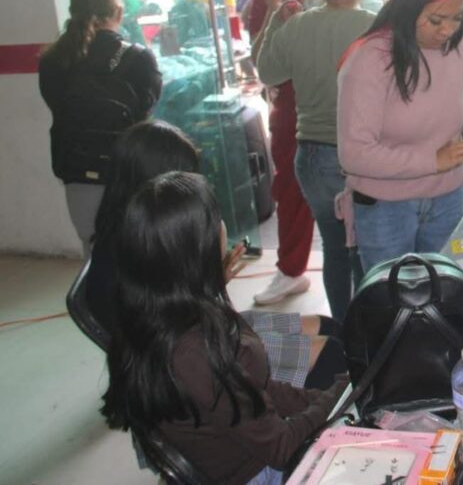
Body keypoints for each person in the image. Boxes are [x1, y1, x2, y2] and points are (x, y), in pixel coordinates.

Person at [101, 171, 345, 485]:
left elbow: (257, 391)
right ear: (196, 248)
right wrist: (341, 392)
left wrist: (322, 398)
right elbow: (282, 448)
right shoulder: (197, 351)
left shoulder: (153, 315)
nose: (222, 227)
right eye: (215, 220)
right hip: (255, 473)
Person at [88, 119, 348, 389]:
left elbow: (183, 307)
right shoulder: (132, 255)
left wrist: (214, 279)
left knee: (329, 327)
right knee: (331, 354)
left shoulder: (139, 232)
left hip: (204, 330)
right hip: (194, 358)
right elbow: (176, 335)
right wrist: (213, 282)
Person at [337, 0, 463, 270]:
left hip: (449, 197)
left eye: (457, 18)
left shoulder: (461, 47)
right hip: (386, 208)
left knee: (446, 290)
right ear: (409, 8)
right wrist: (432, 160)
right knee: (393, 297)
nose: (447, 30)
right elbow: (354, 153)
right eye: (436, 20)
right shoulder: (372, 58)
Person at [256, 0, 375, 321]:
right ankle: (369, 332)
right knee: (367, 249)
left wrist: (277, 18)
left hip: (312, 156)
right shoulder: (377, 27)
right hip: (364, 155)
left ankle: (342, 330)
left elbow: (268, 72)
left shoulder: (299, 25)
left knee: (335, 248)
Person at [38, 0, 162, 252]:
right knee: (136, 250)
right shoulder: (138, 58)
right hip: (127, 169)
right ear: (119, 13)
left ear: (72, 12)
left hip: (75, 168)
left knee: (93, 249)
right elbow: (146, 110)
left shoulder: (50, 61)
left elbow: (56, 104)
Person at [247, 0, 320, 306]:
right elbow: (258, 59)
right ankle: (291, 271)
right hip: (290, 106)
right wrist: (273, 12)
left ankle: (362, 268)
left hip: (339, 101)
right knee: (291, 189)